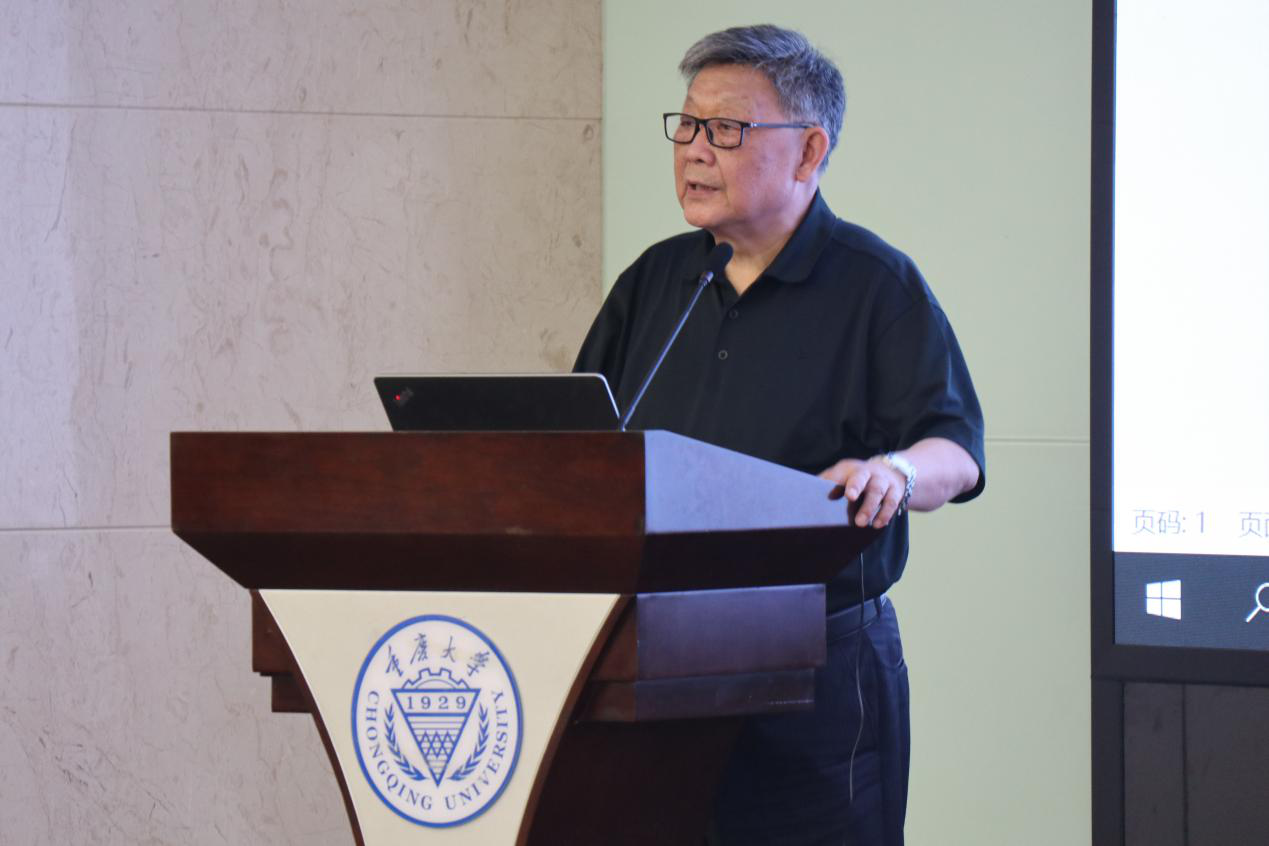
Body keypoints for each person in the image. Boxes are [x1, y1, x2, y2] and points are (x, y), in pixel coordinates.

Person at [574, 24, 985, 846]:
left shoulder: (875, 284)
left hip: (815, 675)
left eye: (726, 129)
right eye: (687, 125)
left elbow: (955, 450)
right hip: (652, 664)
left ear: (807, 151)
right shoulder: (657, 279)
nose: (694, 150)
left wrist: (895, 472)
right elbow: (578, 444)